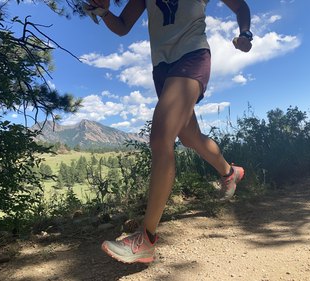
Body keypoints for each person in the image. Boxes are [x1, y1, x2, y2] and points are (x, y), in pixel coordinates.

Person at [83, 0, 252, 264]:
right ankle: (230, 172)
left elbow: (240, 6)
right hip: (162, 68)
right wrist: (103, 12)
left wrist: (245, 33)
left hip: (192, 56)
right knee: (189, 136)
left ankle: (146, 240)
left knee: (161, 137)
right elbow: (123, 26)